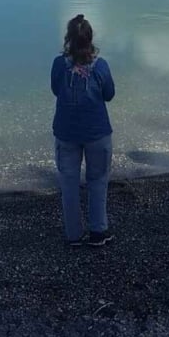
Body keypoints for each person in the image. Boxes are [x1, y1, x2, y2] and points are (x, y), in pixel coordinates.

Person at [50, 13, 116, 247]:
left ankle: (73, 235)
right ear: (90, 39)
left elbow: (55, 90)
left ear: (68, 39)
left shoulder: (59, 65)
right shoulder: (101, 66)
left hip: (66, 133)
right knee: (98, 180)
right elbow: (109, 94)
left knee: (69, 184)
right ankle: (98, 231)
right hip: (97, 132)